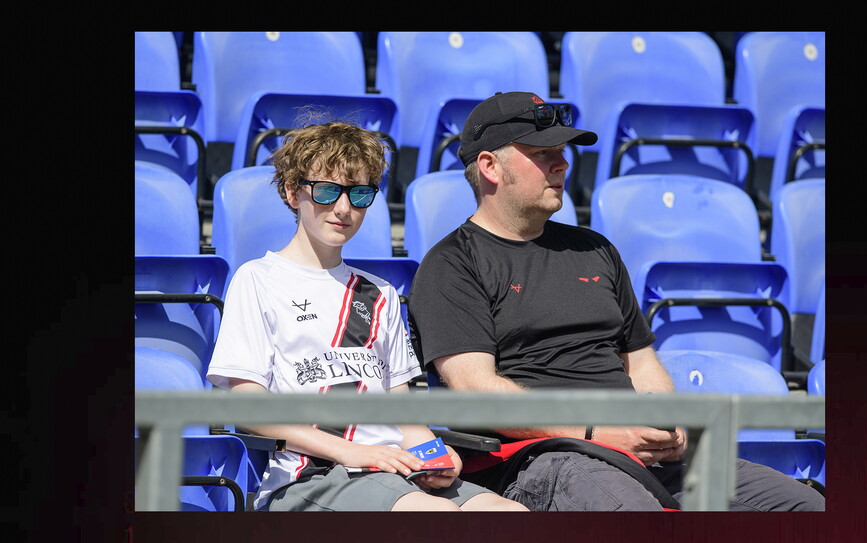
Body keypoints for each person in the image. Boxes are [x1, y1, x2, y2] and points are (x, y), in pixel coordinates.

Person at [407, 91, 825, 512]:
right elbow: (475, 390)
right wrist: (596, 431)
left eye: (562, 151)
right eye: (542, 153)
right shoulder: (452, 264)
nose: (562, 163)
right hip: (542, 456)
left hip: (640, 452)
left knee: (805, 507)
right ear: (489, 166)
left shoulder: (594, 249)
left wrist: (666, 419)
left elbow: (641, 362)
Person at [206, 117, 528, 512]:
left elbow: (402, 415)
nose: (344, 208)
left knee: (510, 515)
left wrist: (434, 455)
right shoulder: (257, 279)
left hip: (395, 471)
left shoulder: (380, 294)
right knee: (436, 517)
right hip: (312, 475)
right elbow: (247, 409)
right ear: (293, 192)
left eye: (359, 195)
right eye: (326, 191)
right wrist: (350, 452)